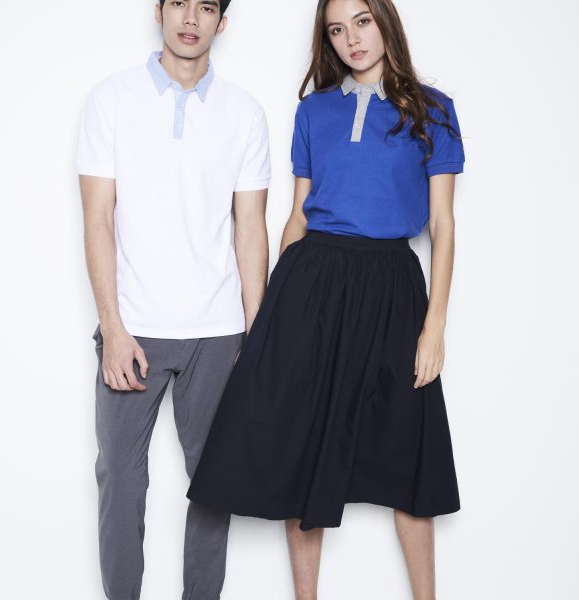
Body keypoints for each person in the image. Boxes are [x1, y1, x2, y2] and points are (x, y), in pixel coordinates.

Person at [186, 0, 465, 598]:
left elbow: (442, 224)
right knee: (302, 446)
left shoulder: (434, 110)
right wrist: (267, 321)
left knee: (408, 451)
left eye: (362, 22)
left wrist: (434, 325)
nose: (351, 39)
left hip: (393, 286)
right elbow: (297, 217)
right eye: (337, 30)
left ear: (385, 23)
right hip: (311, 283)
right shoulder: (314, 111)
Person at [77, 1, 271, 598]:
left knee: (213, 485)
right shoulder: (111, 99)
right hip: (133, 327)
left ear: (221, 22)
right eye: (179, 3)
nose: (191, 18)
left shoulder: (244, 112)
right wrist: (113, 327)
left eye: (206, 7)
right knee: (120, 481)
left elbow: (250, 227)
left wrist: (255, 334)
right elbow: (97, 217)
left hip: (217, 331)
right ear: (159, 12)